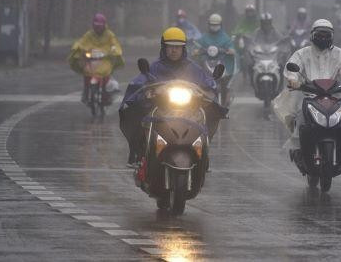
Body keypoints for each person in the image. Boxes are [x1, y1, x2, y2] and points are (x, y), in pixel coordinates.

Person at [118, 27, 224, 166]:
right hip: (160, 109)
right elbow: (141, 81)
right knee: (134, 111)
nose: (174, 50)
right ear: (164, 47)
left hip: (189, 110)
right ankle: (138, 152)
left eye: (178, 47)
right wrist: (144, 92)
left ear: (183, 49)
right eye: (170, 47)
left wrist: (210, 87)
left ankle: (203, 153)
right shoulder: (154, 67)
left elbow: (206, 82)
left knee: (210, 112)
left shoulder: (194, 68)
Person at [275, 19, 341, 163]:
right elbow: (292, 67)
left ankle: (340, 148)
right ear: (312, 35)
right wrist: (293, 79)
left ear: (332, 36)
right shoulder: (302, 54)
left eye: (327, 35)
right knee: (300, 116)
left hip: (332, 96)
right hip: (308, 94)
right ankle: (298, 147)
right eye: (320, 34)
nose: (323, 38)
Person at [68, 13, 124, 104]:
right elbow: (82, 42)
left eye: (100, 26)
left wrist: (113, 50)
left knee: (106, 74)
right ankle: (86, 92)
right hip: (92, 60)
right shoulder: (89, 34)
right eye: (96, 26)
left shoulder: (109, 35)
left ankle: (106, 95)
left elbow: (114, 44)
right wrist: (78, 47)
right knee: (86, 72)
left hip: (105, 59)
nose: (98, 28)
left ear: (104, 25)